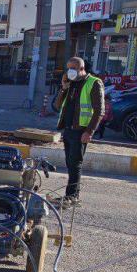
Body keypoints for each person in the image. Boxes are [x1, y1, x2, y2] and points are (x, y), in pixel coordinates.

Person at [55, 57, 104, 208]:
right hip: (68, 130)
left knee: (75, 163)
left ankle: (72, 197)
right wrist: (63, 87)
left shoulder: (94, 83)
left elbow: (99, 111)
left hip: (80, 130)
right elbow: (58, 106)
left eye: (73, 68)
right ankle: (72, 195)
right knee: (70, 163)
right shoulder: (71, 84)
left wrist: (89, 131)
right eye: (68, 68)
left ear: (81, 69)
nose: (69, 71)